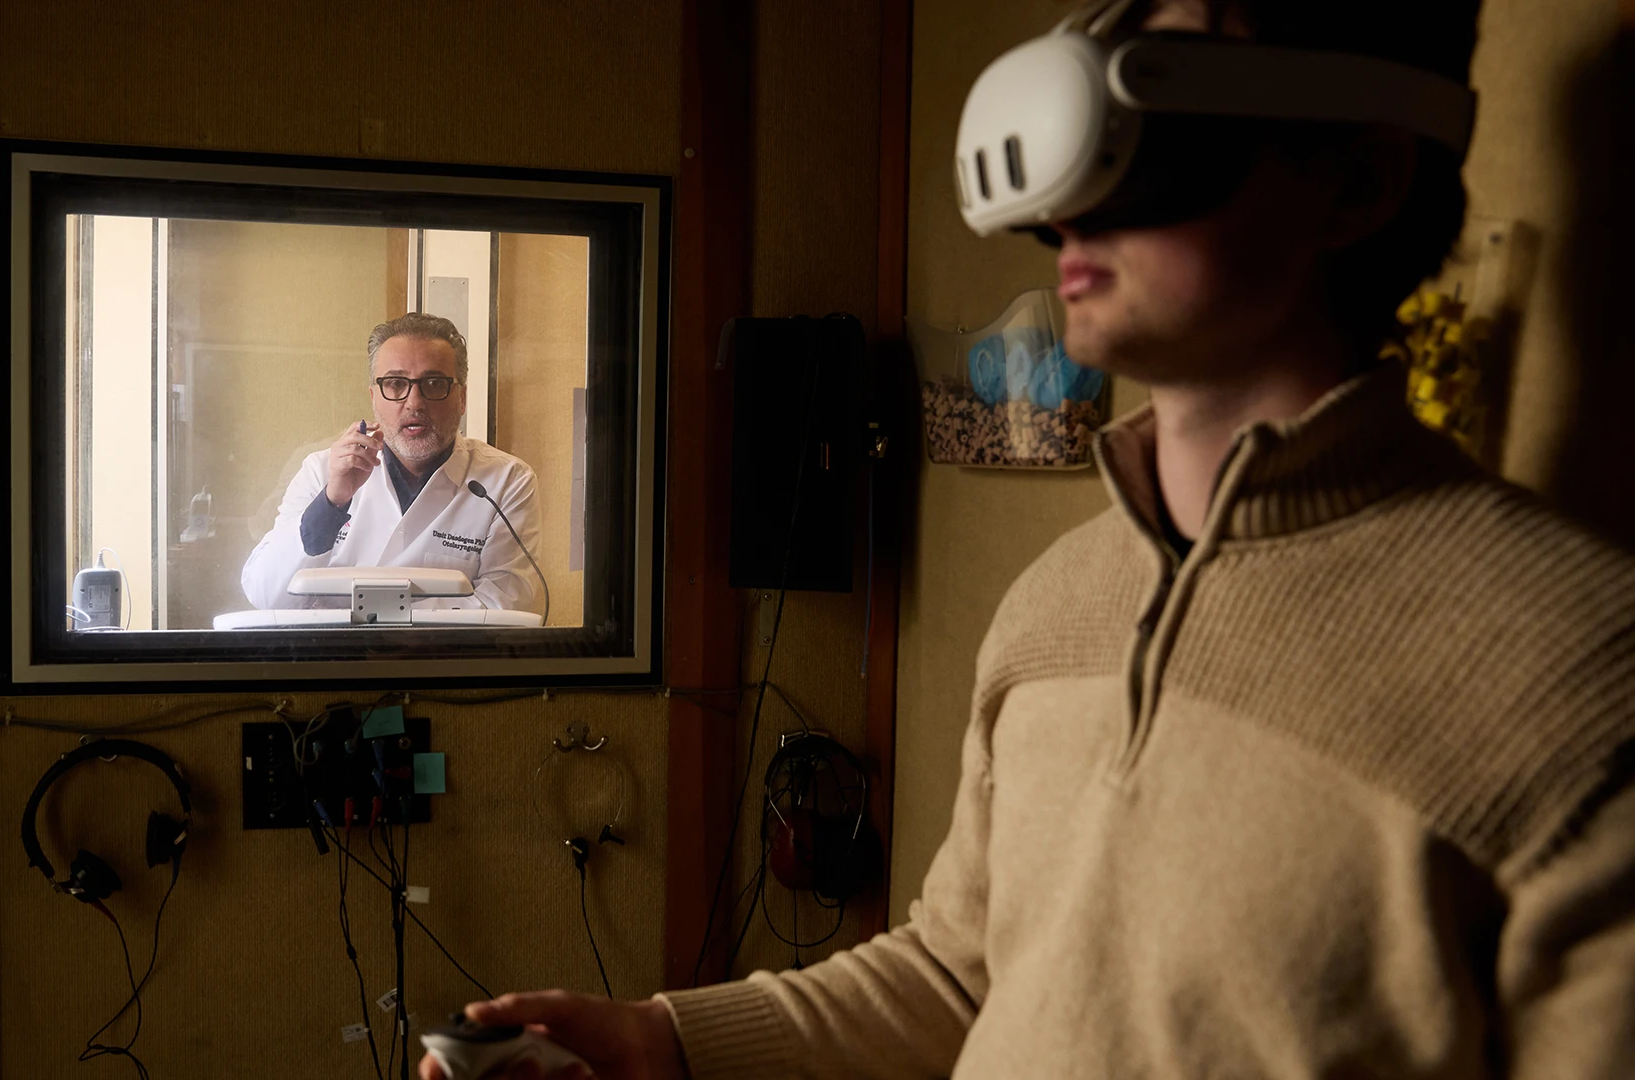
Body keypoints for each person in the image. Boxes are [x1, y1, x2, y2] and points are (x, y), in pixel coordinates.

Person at [424, 0, 1634, 1077]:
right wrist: (667, 1041)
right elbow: (965, 971)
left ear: (1360, 182)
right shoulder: (1061, 597)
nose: (1072, 202)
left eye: (1160, 124)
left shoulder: (1581, 675)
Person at [241, 312, 544, 615]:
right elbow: (266, 594)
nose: (414, 402)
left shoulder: (505, 481)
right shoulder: (321, 472)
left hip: (440, 649)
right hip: (329, 648)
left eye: (434, 383)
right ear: (374, 397)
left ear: (462, 398)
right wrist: (332, 503)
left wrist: (373, 624)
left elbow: (505, 603)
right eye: (396, 384)